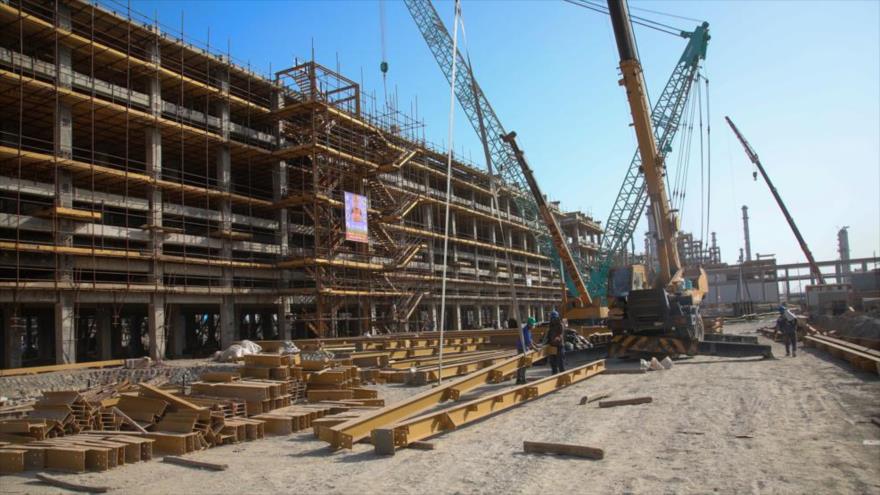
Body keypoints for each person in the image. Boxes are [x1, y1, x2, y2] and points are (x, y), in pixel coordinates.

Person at [516, 317, 539, 384]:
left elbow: (530, 340)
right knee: (523, 364)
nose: (533, 326)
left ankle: (519, 379)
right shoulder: (526, 330)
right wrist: (535, 348)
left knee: (521, 364)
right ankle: (522, 379)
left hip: (523, 347)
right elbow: (528, 342)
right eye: (532, 325)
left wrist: (536, 344)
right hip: (522, 348)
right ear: (529, 324)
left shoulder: (528, 329)